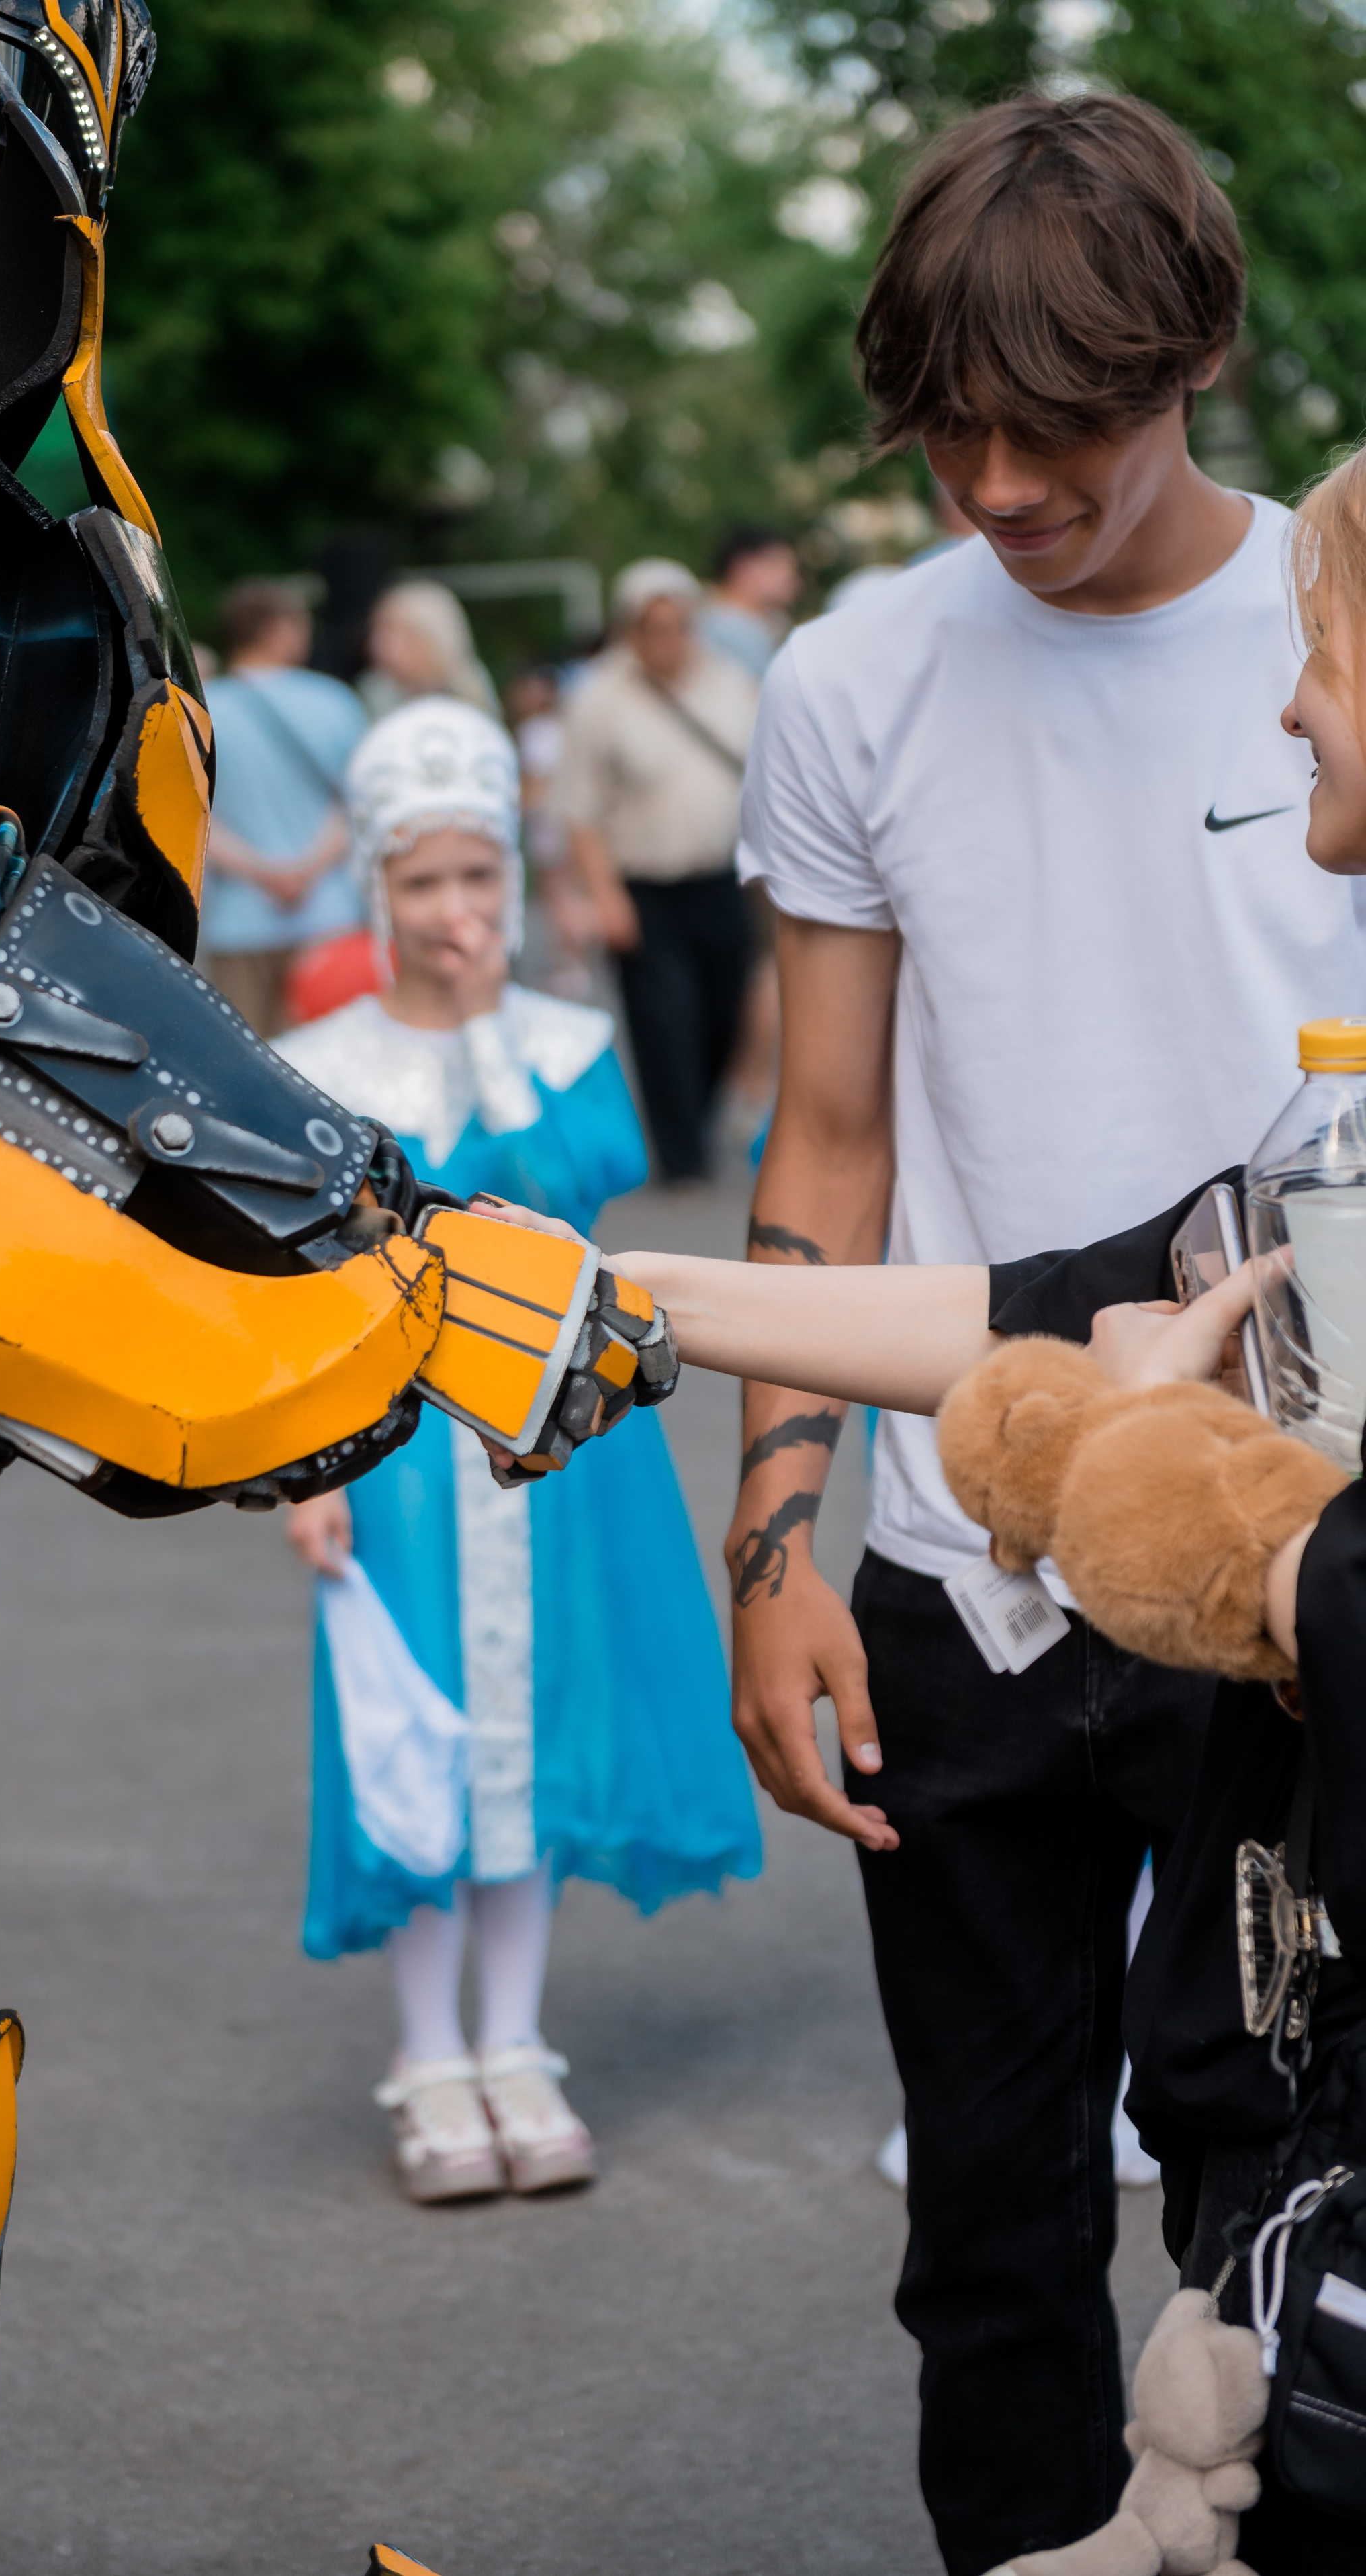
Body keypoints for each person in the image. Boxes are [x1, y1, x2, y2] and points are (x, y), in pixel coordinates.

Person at [728, 92, 1366, 2576]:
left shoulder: (1327, 625)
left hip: (1265, 1565)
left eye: (1054, 429)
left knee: (1268, 2198)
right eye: (944, 428)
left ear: (1187, 355)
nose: (994, 483)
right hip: (954, 1555)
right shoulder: (848, 677)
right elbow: (822, 1144)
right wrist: (773, 1542)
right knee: (982, 2236)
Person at [275, 697, 762, 2205]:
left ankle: (515, 2040)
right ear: (377, 889)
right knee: (418, 1741)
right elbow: (300, 1288)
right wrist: (309, 1474)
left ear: (512, 877)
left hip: (559, 1448)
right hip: (398, 1458)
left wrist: (490, 1029)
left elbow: (579, 1191)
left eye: (477, 875)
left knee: (539, 1733)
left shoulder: (563, 1041)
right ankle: (430, 2053)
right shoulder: (318, 1062)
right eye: (422, 880)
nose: (453, 907)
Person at [554, 558, 760, 1182]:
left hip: (720, 878)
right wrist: (603, 896)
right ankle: (681, 1155)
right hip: (644, 884)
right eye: (655, 628)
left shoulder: (730, 682)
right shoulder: (599, 697)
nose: (669, 640)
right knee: (665, 1020)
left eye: (680, 625)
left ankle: (698, 1118)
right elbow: (579, 810)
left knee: (725, 1010)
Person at [200, 578, 367, 1035]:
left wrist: (263, 873)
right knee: (337, 1053)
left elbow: (196, 818)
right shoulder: (334, 701)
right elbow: (357, 806)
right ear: (281, 630)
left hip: (239, 919)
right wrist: (306, 870)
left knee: (252, 1057)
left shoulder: (202, 710)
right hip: (329, 914)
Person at [360, 578, 501, 718]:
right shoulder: (374, 692)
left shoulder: (469, 689)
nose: (379, 644)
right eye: (379, 631)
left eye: (401, 634)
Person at [702, 523, 802, 678]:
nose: (789, 574)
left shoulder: (773, 621)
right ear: (741, 566)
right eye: (776, 563)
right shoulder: (722, 629)